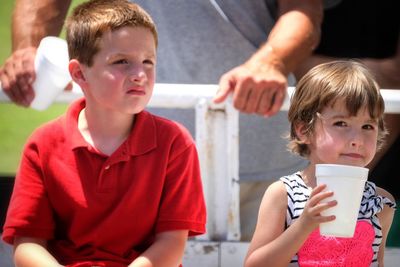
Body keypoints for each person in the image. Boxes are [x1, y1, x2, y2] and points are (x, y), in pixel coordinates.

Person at [0, 0, 330, 241]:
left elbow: (304, 12)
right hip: (136, 161)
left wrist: (270, 61)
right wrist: (29, 51)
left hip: (265, 159)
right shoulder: (45, 145)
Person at [2, 1, 206, 266]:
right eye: (121, 62)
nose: (139, 74)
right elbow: (27, 245)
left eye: (148, 61)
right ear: (78, 73)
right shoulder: (42, 144)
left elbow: (172, 244)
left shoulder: (175, 143)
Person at [245, 61, 396, 267]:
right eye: (341, 123)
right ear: (304, 130)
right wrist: (303, 226)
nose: (357, 139)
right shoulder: (284, 194)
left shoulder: (381, 203)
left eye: (368, 126)